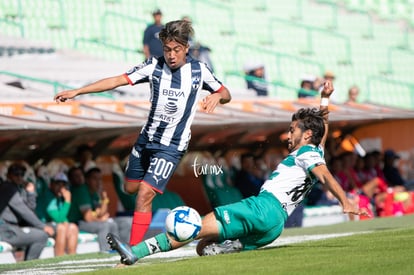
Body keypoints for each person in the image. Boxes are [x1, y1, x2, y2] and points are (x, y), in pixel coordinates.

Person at [106, 81, 369, 266]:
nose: (288, 134)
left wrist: (344, 201)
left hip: (262, 208)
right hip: (274, 226)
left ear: (306, 134)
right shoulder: (316, 150)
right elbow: (322, 131)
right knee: (202, 247)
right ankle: (226, 248)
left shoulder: (307, 155)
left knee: (192, 227)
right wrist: (324, 100)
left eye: (292, 130)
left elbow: (325, 176)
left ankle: (134, 252)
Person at [54, 19, 231, 247]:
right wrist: (79, 91)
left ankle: (133, 250)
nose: (171, 55)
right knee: (129, 188)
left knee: (145, 193)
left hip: (172, 145)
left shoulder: (199, 70)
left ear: (186, 48)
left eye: (176, 50)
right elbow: (118, 80)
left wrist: (217, 96)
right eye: (167, 50)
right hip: (145, 141)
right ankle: (142, 198)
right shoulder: (154, 66)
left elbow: (226, 92)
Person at [0, 163, 55, 261]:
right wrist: (42, 226)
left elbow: (30, 209)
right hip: (5, 230)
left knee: (46, 232)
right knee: (41, 236)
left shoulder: (18, 188)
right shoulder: (8, 188)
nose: (19, 177)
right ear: (8, 175)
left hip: (12, 228)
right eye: (16, 174)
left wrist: (30, 193)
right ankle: (29, 268)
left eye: (22, 174)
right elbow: (24, 212)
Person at [68, 167, 119, 252]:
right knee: (104, 225)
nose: (98, 182)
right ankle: (105, 251)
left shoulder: (94, 192)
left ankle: (117, 251)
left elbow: (101, 212)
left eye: (100, 179)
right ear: (87, 180)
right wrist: (101, 220)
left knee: (113, 224)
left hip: (85, 222)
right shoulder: (82, 190)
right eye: (95, 179)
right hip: (76, 223)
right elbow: (88, 218)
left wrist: (104, 199)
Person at [36, 172, 79, 256]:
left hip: (52, 224)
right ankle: (60, 258)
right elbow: (59, 219)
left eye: (63, 185)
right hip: (41, 225)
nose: (60, 188)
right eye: (57, 184)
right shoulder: (48, 195)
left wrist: (66, 222)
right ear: (51, 185)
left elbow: (63, 218)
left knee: (73, 227)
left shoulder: (59, 197)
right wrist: (67, 201)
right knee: (61, 228)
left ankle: (72, 257)